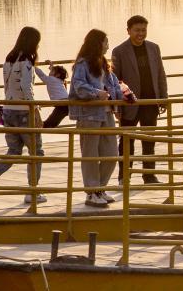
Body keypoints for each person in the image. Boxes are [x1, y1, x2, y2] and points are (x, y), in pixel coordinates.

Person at [0, 27, 46, 205]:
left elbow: (9, 87)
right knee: (36, 153)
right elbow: (26, 86)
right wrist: (35, 108)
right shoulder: (27, 61)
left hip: (8, 110)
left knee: (14, 151)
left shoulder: (9, 59)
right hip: (24, 111)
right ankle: (32, 191)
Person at [111, 16, 168, 185]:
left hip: (150, 102)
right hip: (130, 102)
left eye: (143, 30)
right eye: (137, 30)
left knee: (149, 139)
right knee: (127, 141)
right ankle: (124, 176)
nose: (140, 34)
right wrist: (117, 106)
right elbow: (115, 80)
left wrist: (163, 98)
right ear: (128, 30)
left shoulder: (153, 48)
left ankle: (149, 175)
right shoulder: (119, 51)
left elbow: (160, 75)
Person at [69, 29, 123, 208]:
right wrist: (96, 93)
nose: (108, 45)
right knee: (90, 154)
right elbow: (78, 86)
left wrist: (123, 95)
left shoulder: (104, 64)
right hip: (89, 114)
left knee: (111, 154)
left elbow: (115, 84)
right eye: (105, 42)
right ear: (97, 43)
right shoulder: (82, 64)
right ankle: (92, 192)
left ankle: (100, 187)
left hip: (106, 113)